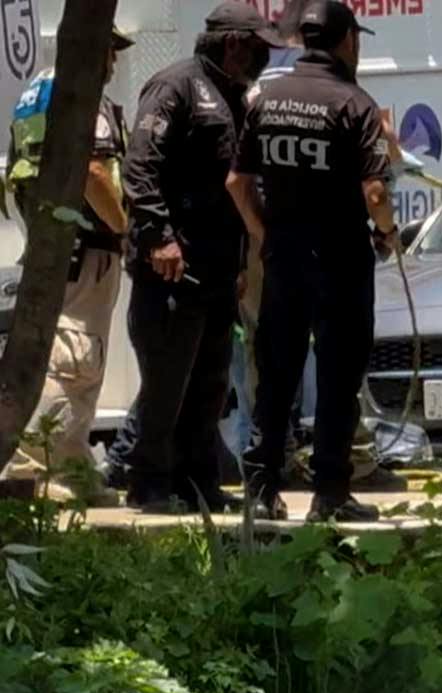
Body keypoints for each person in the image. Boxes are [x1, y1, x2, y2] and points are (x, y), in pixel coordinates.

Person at [227, 0, 397, 523]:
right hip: (340, 259)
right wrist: (388, 233)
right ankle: (329, 493)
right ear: (348, 41)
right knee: (338, 377)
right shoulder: (354, 102)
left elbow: (237, 181)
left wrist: (265, 235)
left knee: (276, 375)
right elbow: (374, 191)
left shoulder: (267, 98)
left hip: (284, 258)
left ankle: (260, 490)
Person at [120, 2, 278, 513]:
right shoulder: (176, 86)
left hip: (215, 270)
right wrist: (157, 237)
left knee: (210, 386)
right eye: (259, 47)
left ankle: (199, 484)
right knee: (167, 384)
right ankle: (150, 485)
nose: (264, 57)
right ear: (233, 43)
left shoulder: (235, 96)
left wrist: (236, 266)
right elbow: (140, 168)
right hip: (172, 268)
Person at [0, 26, 136, 502]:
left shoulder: (35, 91)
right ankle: (38, 468)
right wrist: (123, 227)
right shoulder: (80, 97)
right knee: (73, 357)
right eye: (108, 53)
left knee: (70, 354)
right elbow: (94, 170)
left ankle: (71, 463)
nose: (113, 64)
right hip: (87, 244)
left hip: (53, 242)